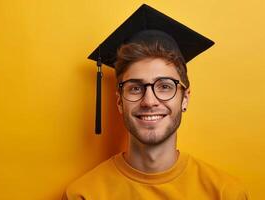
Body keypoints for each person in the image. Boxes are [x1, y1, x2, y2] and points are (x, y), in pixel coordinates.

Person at [63, 4, 249, 200]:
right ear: (119, 102)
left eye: (165, 86)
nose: (149, 101)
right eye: (135, 88)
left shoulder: (225, 193)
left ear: (184, 98)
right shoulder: (84, 195)